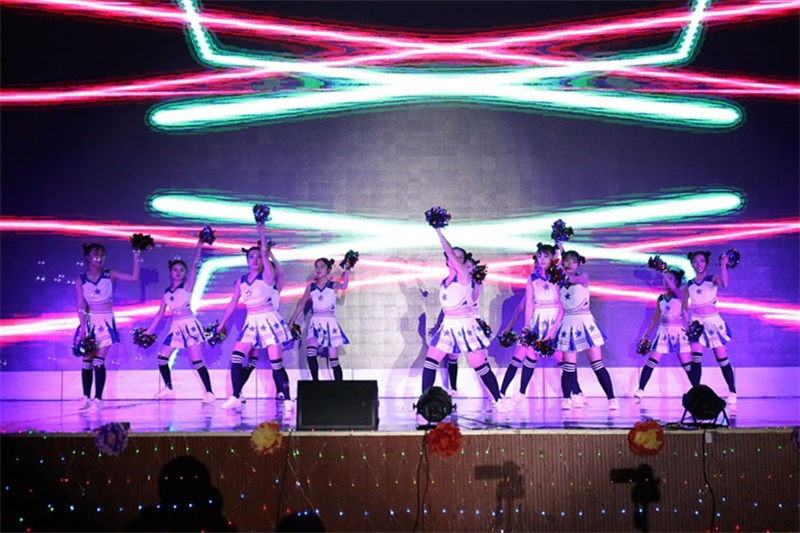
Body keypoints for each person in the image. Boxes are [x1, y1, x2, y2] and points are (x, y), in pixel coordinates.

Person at [422, 226, 508, 409]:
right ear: (447, 260)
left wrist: (439, 232)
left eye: (460, 257)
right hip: (448, 325)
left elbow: (451, 255)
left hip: (465, 326)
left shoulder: (463, 277)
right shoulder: (444, 281)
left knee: (481, 367)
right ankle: (424, 402)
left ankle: (499, 400)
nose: (455, 258)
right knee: (430, 363)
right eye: (453, 256)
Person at [217, 223, 292, 409]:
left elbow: (274, 267)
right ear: (246, 259)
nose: (255, 260)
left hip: (268, 321)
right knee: (236, 358)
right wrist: (222, 324)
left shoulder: (267, 277)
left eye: (259, 257)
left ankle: (288, 399)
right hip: (251, 323)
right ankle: (235, 396)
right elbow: (232, 303)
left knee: (276, 363)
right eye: (251, 257)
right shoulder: (241, 281)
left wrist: (262, 232)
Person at [499, 243, 577, 404]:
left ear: (552, 258)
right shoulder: (532, 279)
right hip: (538, 319)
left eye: (546, 256)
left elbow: (562, 304)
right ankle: (519, 393)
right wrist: (527, 327)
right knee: (530, 355)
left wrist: (560, 246)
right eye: (539, 256)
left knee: (563, 358)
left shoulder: (558, 276)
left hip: (555, 318)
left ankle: (574, 394)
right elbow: (528, 304)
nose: (542, 260)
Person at [142, 239, 215, 403]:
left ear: (185, 273)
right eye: (175, 269)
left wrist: (199, 245)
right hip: (175, 328)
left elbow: (195, 265)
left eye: (182, 270)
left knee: (197, 360)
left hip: (190, 326)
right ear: (170, 272)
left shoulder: (187, 286)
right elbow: (159, 314)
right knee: (162, 358)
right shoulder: (166, 293)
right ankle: (169, 388)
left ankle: (209, 393)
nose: (178, 272)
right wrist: (148, 331)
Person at [74, 242, 141, 411]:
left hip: (106, 321)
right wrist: (83, 329)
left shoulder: (109, 274)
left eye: (102, 254)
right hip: (90, 322)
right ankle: (85, 397)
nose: (99, 257)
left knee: (99, 360)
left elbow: (134, 277)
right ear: (88, 257)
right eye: (96, 254)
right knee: (87, 360)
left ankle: (98, 399)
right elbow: (80, 306)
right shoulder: (80, 280)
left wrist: (136, 254)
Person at [553, 250, 618, 410]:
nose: (569, 264)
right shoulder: (559, 282)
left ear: (579, 264)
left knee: (597, 364)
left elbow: (571, 279)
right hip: (568, 323)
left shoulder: (583, 277)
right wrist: (559, 248)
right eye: (566, 261)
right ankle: (567, 399)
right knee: (568, 367)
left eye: (573, 261)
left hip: (585, 322)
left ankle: (612, 399)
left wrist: (560, 265)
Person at [634, 267, 698, 400]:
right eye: (665, 279)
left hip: (678, 332)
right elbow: (655, 318)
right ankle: (640, 389)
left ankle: (699, 392)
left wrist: (663, 272)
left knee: (687, 366)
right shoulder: (661, 298)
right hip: (663, 331)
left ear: (677, 281)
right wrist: (646, 335)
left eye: (670, 279)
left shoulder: (681, 295)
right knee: (651, 362)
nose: (665, 281)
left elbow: (675, 290)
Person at [681, 250, 736, 404]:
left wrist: (724, 264)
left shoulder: (712, 279)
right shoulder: (689, 284)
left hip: (712, 322)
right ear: (692, 264)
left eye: (701, 261)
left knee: (721, 358)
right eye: (695, 261)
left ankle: (732, 391)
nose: (698, 264)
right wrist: (688, 324)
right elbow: (684, 307)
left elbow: (724, 283)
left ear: (706, 262)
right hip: (696, 323)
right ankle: (696, 394)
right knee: (696, 358)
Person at [288, 258, 351, 381]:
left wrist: (347, 269)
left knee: (334, 360)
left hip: (329, 322)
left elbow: (344, 286)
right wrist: (291, 321)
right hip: (315, 322)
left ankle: (340, 387)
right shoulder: (311, 287)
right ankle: (315, 384)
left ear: (328, 269)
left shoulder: (333, 285)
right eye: (317, 266)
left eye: (322, 266)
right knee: (310, 353)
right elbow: (301, 304)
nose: (318, 269)